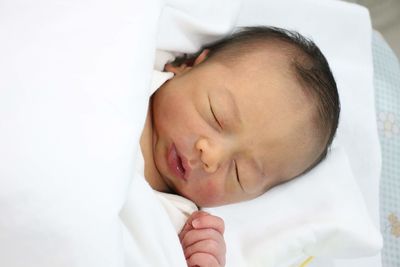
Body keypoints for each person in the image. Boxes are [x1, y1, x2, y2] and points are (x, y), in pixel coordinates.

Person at [138, 26, 340, 267]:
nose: (210, 157)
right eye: (216, 115)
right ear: (189, 65)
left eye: (239, 173)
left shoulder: (182, 231)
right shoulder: (134, 66)